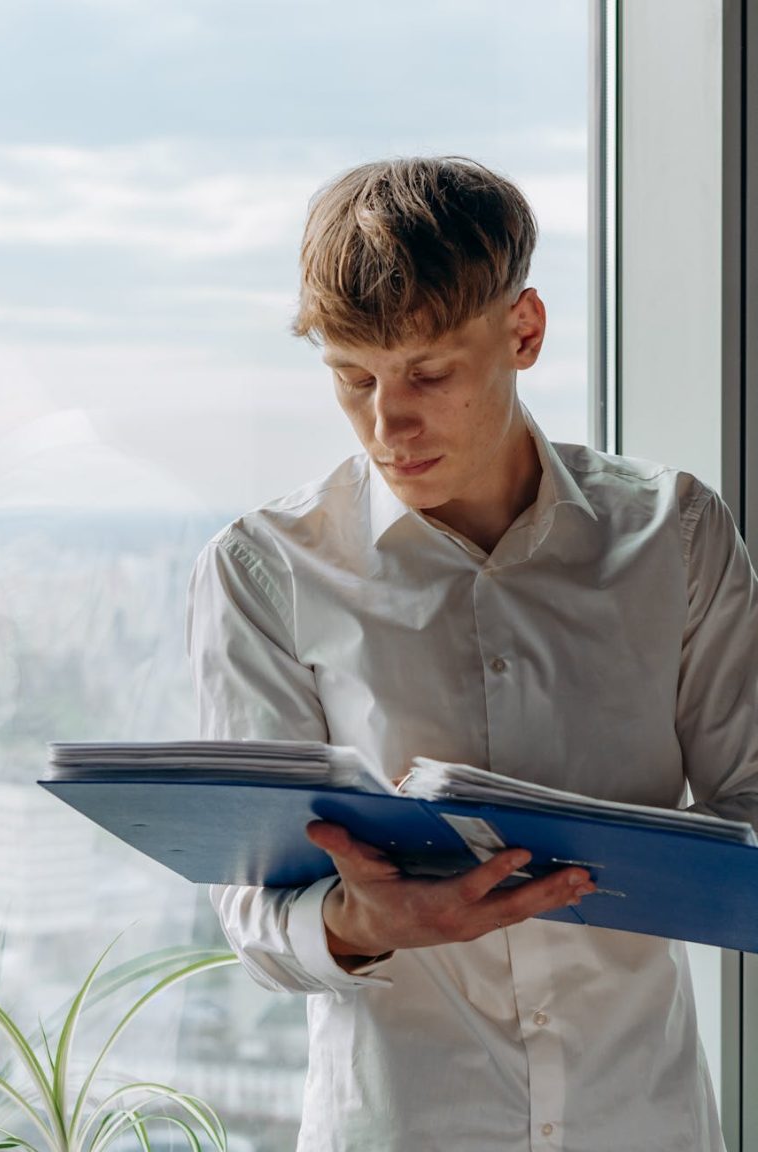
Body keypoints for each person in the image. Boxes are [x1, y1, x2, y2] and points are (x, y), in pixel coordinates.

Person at [186, 157, 758, 1152]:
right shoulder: (266, 570)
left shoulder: (678, 536)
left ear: (523, 333)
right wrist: (367, 925)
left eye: (429, 374)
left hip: (647, 1121)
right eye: (352, 378)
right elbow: (254, 916)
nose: (387, 424)